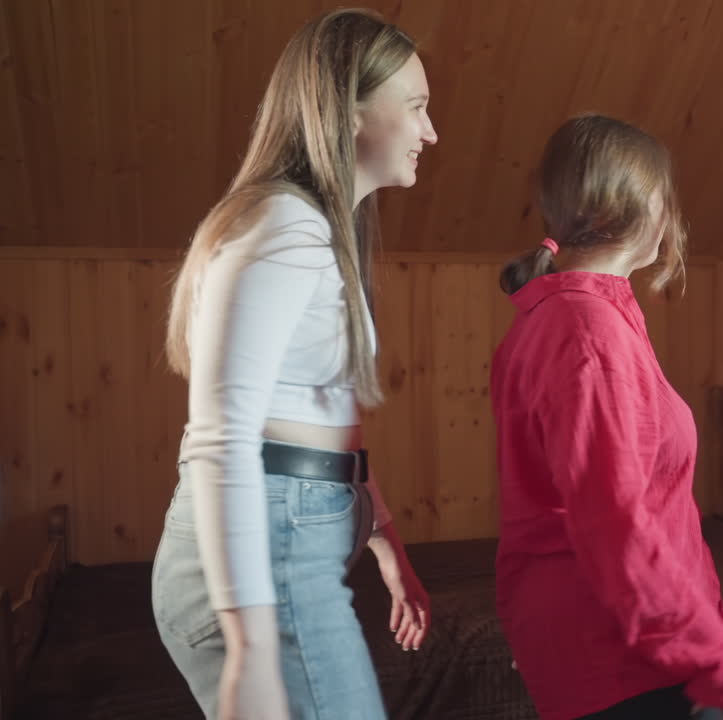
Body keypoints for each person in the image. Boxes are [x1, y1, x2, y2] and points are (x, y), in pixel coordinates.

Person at [152, 8, 438, 718]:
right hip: (268, 554)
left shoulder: (316, 230)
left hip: (297, 540)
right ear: (347, 110)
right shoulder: (283, 225)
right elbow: (226, 436)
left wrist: (384, 542)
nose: (430, 133)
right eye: (418, 108)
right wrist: (251, 644)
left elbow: (318, 421)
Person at [490, 114, 723, 720]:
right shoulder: (586, 331)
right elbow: (615, 523)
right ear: (643, 205)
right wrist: (717, 661)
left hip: (624, 639)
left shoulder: (586, 315)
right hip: (617, 651)